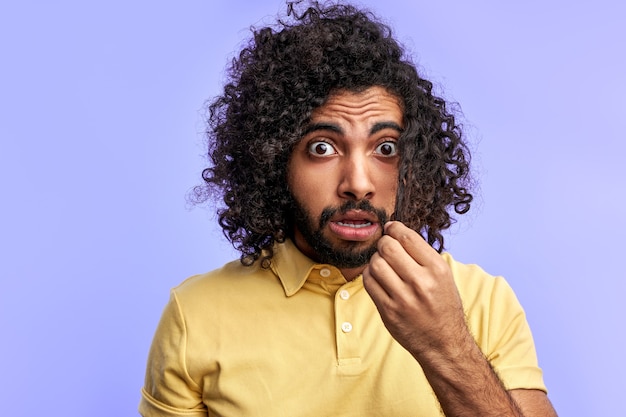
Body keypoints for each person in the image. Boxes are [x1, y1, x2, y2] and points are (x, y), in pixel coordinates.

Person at [139, 1, 557, 416]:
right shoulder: (194, 314)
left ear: (416, 163)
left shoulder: (482, 300)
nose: (358, 183)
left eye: (386, 148)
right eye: (322, 147)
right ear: (273, 161)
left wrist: (445, 346)